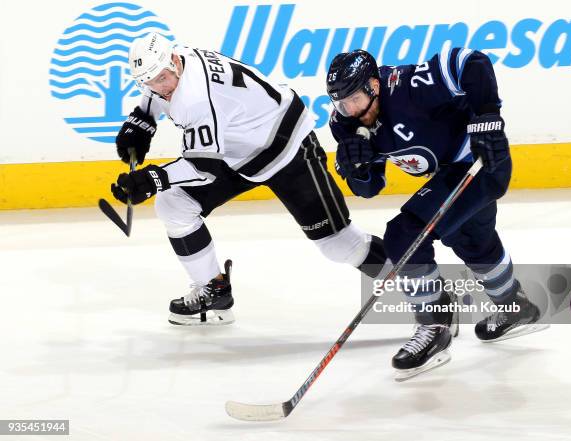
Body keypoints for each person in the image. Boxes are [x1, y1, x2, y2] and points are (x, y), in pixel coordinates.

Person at [110, 33, 387, 326]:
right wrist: (140, 120)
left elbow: (202, 167)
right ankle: (214, 290)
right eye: (149, 82)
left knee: (339, 244)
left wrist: (153, 179)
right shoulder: (176, 62)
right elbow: (156, 94)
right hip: (237, 149)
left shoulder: (196, 96)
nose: (158, 87)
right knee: (174, 204)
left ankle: (425, 290)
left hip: (286, 147)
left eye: (162, 78)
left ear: (175, 62)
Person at [326, 48, 548, 380]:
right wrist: (356, 170)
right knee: (474, 241)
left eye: (355, 99)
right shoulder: (345, 124)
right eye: (342, 103)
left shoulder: (408, 87)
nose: (351, 110)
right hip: (449, 174)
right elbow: (370, 188)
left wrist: (486, 115)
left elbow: (471, 61)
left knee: (405, 234)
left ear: (374, 84)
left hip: (481, 163)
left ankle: (436, 326)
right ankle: (515, 306)